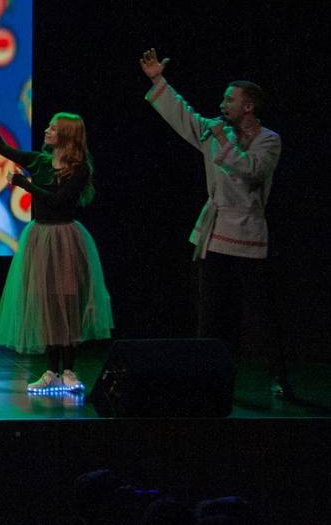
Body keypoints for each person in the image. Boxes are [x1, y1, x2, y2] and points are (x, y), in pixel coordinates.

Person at [139, 49, 290, 398]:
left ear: (248, 106)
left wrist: (223, 141)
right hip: (216, 232)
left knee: (260, 312)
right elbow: (183, 116)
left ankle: (279, 375)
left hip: (248, 232)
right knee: (209, 312)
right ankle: (204, 374)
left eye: (230, 100)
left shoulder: (269, 140)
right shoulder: (213, 130)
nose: (223, 104)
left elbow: (252, 170)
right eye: (223, 99)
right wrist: (158, 80)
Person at [0, 89, 113, 392]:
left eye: (53, 128)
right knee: (47, 301)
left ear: (67, 136)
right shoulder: (39, 161)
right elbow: (1, 147)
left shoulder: (79, 170)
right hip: (40, 236)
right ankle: (51, 370)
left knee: (67, 301)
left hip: (64, 237)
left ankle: (69, 370)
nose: (47, 131)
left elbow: (60, 201)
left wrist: (24, 184)